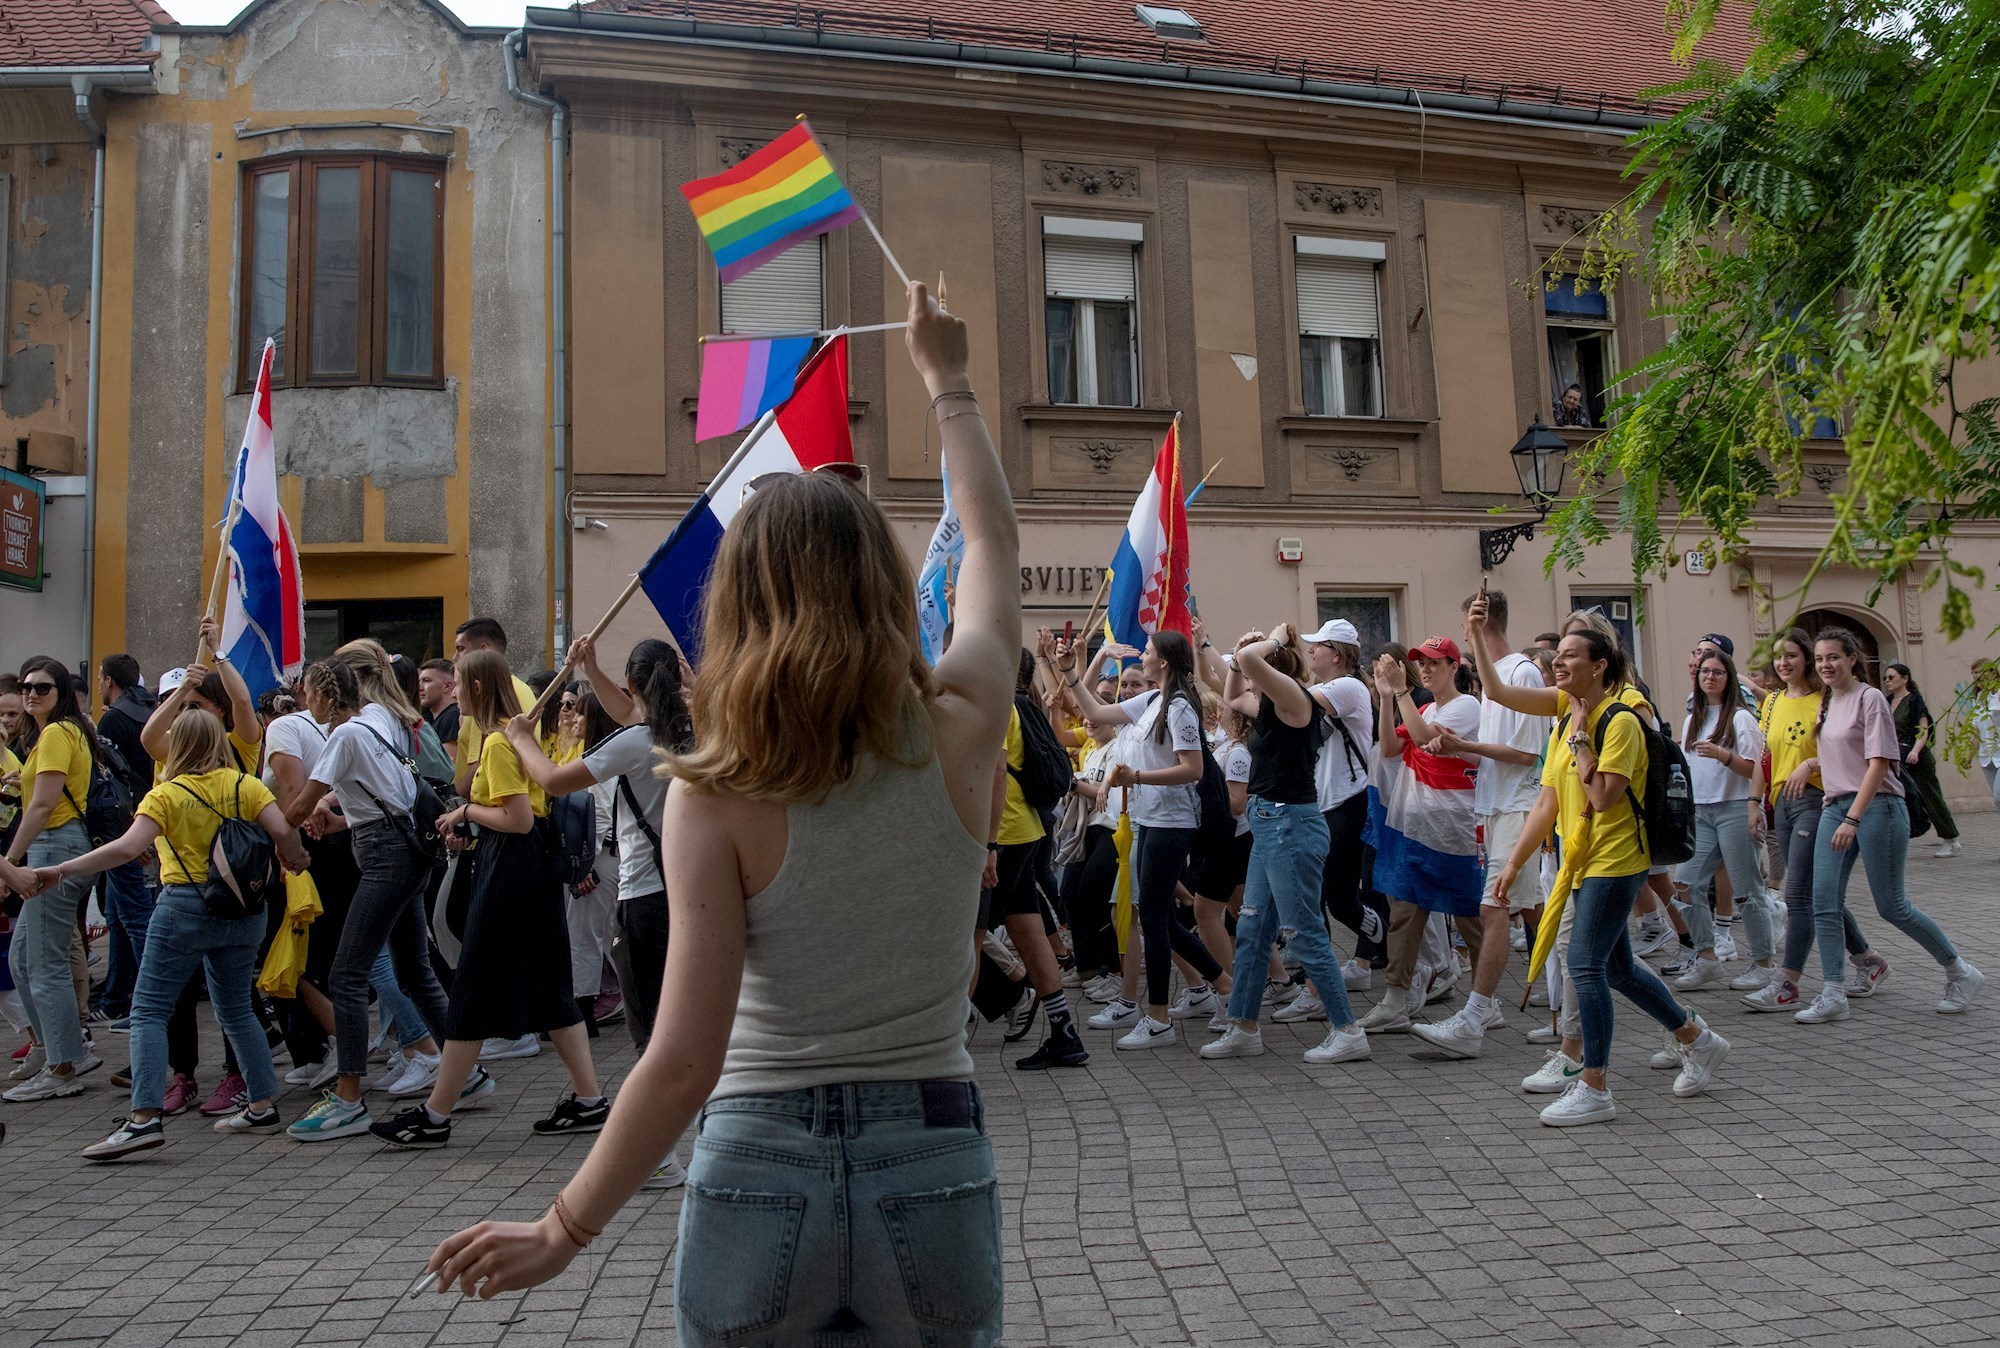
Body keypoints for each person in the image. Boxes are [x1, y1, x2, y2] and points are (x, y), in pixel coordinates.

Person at [425, 282, 1012, 1343]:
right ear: (886, 584)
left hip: (759, 1148)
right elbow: (992, 546)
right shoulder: (963, 724)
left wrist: (562, 1228)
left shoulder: (714, 786)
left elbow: (683, 1059)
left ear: (736, 603)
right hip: (930, 1144)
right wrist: (948, 382)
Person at [45, 708, 311, 1158]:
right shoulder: (244, 785)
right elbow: (283, 831)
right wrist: (296, 859)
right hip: (245, 911)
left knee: (149, 1011)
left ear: (179, 746)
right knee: (236, 1009)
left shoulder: (165, 794)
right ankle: (262, 1103)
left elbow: (128, 848)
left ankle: (143, 1119)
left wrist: (63, 868)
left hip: (183, 908)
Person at [1491, 629, 1728, 1125]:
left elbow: (1602, 796)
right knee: (1616, 969)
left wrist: (1580, 738)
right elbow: (1547, 801)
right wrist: (1514, 864)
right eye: (1556, 657)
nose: (1557, 663)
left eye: (1570, 656)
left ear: (1599, 666)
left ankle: (1594, 1084)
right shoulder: (1564, 722)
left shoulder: (1618, 721)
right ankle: (1697, 1039)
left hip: (1616, 862)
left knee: (1585, 964)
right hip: (1580, 861)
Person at [368, 649, 602, 1148]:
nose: (452, 690)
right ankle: (588, 1099)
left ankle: (435, 1116)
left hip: (510, 871)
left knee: (474, 986)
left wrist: (465, 812)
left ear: (476, 687)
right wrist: (471, 818)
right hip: (528, 870)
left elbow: (518, 819)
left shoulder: (498, 743)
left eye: (457, 682)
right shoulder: (514, 737)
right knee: (551, 990)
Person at [280, 659, 453, 1140]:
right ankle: (467, 1072)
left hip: (386, 857)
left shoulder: (342, 736)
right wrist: (336, 817)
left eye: (307, 691)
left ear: (324, 694)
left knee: (347, 973)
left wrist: (277, 814)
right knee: (412, 967)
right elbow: (380, 796)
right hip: (403, 847)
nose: (303, 700)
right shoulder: (374, 719)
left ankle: (349, 1098)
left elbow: (296, 808)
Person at [506, 637, 688, 1065]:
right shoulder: (695, 730)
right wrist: (590, 670)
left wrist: (521, 740)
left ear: (632, 682)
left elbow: (552, 780)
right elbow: (628, 712)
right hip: (689, 887)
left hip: (646, 894)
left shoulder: (634, 743)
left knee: (648, 1026)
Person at [1202, 625, 1368, 1065]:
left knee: (1303, 932)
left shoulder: (1295, 701)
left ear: (1274, 672)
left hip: (1290, 824)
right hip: (1270, 824)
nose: (1250, 680)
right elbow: (1233, 693)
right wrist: (1239, 652)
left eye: (1260, 672)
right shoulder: (1272, 707)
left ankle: (1347, 1029)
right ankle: (1243, 1026)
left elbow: (1250, 666)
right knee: (1253, 930)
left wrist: (1272, 638)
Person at [1801, 631, 1983, 1023]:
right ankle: (1833, 991)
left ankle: (1960, 972)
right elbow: (1838, 754)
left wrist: (1854, 818)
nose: (1825, 665)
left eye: (1833, 657)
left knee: (1892, 906)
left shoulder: (1870, 700)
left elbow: (1878, 763)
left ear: (1853, 659)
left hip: (1879, 806)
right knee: (1824, 901)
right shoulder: (1828, 702)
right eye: (1819, 659)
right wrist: (1811, 765)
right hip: (1836, 804)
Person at [1057, 629, 1225, 1051]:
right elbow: (1094, 708)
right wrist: (1070, 672)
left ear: (1163, 662)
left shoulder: (1180, 706)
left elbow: (1194, 769)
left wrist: (1138, 777)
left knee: (1152, 916)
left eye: (1148, 652)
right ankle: (1225, 988)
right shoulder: (1151, 701)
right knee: (1157, 918)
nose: (1143, 656)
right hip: (1147, 820)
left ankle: (1159, 1018)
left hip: (1172, 821)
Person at [1412, 590, 1551, 1059]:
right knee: (1533, 909)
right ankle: (1564, 1003)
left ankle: (1476, 1015)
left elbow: (1527, 755)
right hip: (1495, 806)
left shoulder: (1522, 673)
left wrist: (1462, 748)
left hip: (1518, 807)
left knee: (1495, 908)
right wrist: (1459, 747)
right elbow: (1495, 753)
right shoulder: (1495, 681)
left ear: (1481, 620)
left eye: (1468, 622)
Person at [1741, 627, 1879, 1014]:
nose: (1783, 663)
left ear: (1806, 660)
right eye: (1778, 658)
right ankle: (1868, 959)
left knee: (1797, 893)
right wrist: (1755, 802)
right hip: (1781, 802)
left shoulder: (1826, 700)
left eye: (1792, 656)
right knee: (1818, 893)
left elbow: (1848, 750)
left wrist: (1811, 763)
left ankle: (1786, 984)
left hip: (1818, 801)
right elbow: (1762, 759)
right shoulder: (1771, 703)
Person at [1357, 636, 1485, 1034]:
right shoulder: (1425, 704)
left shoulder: (1467, 705)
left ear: (1454, 666)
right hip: (1418, 828)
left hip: (1454, 832)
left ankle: (1485, 999)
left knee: (1470, 918)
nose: (1426, 669)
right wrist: (1383, 699)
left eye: (1434, 662)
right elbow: (1393, 746)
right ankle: (1396, 998)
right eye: (1421, 663)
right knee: (1404, 913)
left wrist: (1400, 693)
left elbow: (1429, 742)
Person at [0, 658, 105, 1100]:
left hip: (55, 846)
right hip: (58, 844)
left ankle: (64, 1065)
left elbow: (44, 807)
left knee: (43, 964)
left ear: (60, 692)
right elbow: (45, 795)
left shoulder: (60, 733)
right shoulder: (53, 734)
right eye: (26, 687)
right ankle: (52, 1050)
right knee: (23, 959)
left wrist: (10, 862)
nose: (30, 695)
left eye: (41, 688)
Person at [1666, 648, 1775, 991]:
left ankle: (1764, 963)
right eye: (1704, 672)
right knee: (1684, 883)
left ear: (1729, 678)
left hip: (1735, 807)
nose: (1709, 677)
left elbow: (1756, 768)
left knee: (1747, 891)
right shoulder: (1692, 719)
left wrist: (1723, 755)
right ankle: (1707, 957)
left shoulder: (1741, 718)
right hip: (1702, 811)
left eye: (1717, 672)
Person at [1300, 619, 1381, 998]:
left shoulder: (1347, 686)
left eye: (1317, 645)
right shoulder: (1326, 687)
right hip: (1328, 803)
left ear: (1336, 653)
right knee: (1333, 898)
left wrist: (1260, 660)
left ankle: (1384, 940)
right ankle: (1379, 943)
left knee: (1332, 897)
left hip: (1348, 801)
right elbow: (1243, 701)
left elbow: (1290, 705)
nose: (1310, 650)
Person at [92, 653, 156, 1025]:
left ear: (108, 681)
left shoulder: (115, 718)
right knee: (120, 914)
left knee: (132, 916)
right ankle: (117, 993)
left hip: (128, 825)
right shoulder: (149, 710)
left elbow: (112, 779)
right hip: (147, 820)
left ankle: (138, 999)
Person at [1882, 662, 1960, 859]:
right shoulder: (1887, 700)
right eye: (1885, 678)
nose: (1887, 681)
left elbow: (1923, 729)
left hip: (1916, 757)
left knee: (1930, 797)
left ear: (1905, 679)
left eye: (1891, 677)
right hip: (1896, 757)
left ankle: (1950, 839)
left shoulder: (1915, 700)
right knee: (1901, 797)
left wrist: (1916, 751)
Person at [418, 658, 461, 753]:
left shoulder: (452, 716)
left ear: (447, 686)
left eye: (426, 680)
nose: (420, 687)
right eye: (419, 681)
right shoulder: (441, 718)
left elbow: (449, 763)